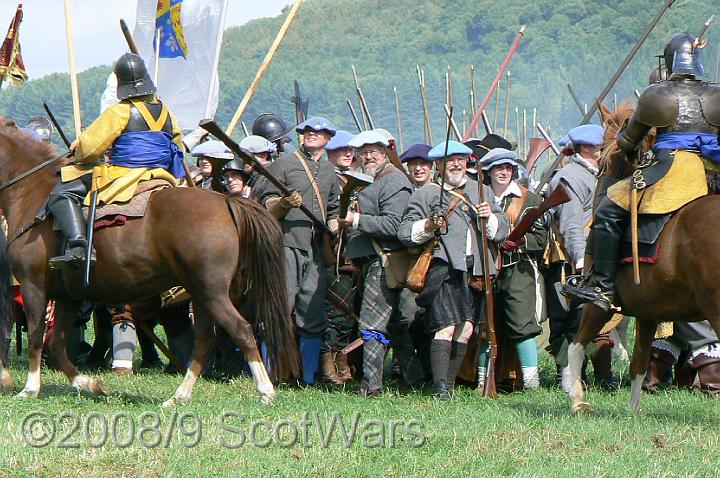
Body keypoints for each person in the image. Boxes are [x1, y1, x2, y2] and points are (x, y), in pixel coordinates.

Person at [565, 31, 720, 314]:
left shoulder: (656, 95)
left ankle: (602, 286)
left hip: (673, 169)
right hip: (713, 170)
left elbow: (627, 142)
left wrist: (626, 138)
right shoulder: (717, 93)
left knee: (607, 210)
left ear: (671, 61)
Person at [47, 52, 185, 269]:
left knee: (61, 193)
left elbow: (89, 149)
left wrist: (80, 149)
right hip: (161, 174)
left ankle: (79, 247)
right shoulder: (166, 112)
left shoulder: (119, 111)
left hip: (124, 175)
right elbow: (177, 144)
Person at [398, 140, 509, 399]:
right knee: (446, 326)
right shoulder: (426, 193)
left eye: (460, 159)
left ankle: (448, 385)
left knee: (466, 329)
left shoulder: (482, 190)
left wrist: (488, 217)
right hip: (445, 268)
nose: (456, 164)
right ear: (438, 164)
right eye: (450, 160)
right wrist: (428, 225)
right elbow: (404, 232)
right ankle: (439, 388)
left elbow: (502, 229)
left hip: (478, 271)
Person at [338, 130, 425, 397]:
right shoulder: (368, 180)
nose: (368, 156)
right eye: (363, 152)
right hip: (373, 261)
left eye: (374, 151)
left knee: (371, 325)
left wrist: (355, 220)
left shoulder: (394, 180)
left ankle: (371, 386)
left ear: (385, 152)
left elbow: (394, 225)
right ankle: (415, 378)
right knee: (396, 324)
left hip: (384, 261)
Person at [258, 116, 340, 385]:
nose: (311, 134)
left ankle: (306, 377)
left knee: (312, 313)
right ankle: (269, 373)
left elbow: (334, 208)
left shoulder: (329, 172)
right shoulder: (284, 163)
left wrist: (334, 223)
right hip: (286, 244)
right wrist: (283, 204)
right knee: (280, 309)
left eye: (318, 132)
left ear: (328, 138)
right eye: (307, 131)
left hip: (315, 249)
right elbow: (265, 204)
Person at [546, 123, 617, 390]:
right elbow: (572, 224)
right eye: (601, 147)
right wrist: (579, 263)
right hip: (573, 262)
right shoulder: (571, 177)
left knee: (598, 318)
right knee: (571, 323)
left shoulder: (595, 174)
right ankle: (569, 378)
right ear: (588, 148)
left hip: (592, 259)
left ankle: (601, 377)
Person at [481, 148, 548, 390]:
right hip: (484, 270)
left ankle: (531, 384)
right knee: (484, 327)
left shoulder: (529, 200)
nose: (504, 172)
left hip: (518, 269)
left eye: (508, 168)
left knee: (523, 326)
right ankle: (483, 383)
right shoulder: (479, 196)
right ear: (488, 172)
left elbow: (541, 238)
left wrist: (520, 242)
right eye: (499, 168)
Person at [320, 129, 357, 384]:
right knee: (334, 314)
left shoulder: (357, 182)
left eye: (350, 150)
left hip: (354, 259)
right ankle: (327, 364)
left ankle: (343, 360)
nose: (347, 153)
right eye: (340, 150)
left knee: (348, 316)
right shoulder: (324, 180)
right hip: (330, 257)